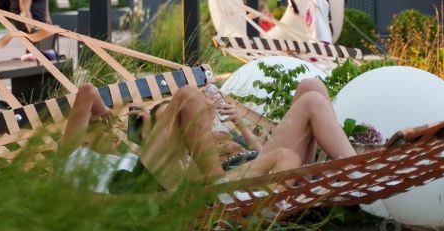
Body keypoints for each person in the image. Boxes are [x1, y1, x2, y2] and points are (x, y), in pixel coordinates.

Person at [60, 77, 355, 189]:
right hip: (209, 179)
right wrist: (146, 126)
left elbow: (89, 95)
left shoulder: (115, 154)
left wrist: (106, 118)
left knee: (310, 89)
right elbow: (86, 92)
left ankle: (352, 168)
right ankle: (218, 188)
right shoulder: (69, 161)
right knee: (187, 94)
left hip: (253, 164)